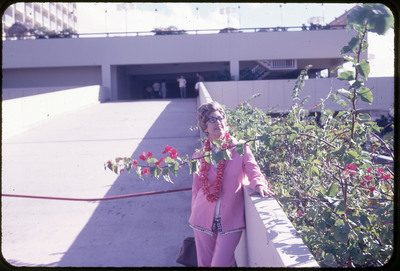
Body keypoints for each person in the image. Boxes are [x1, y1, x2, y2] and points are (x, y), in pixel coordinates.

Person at [189, 101, 273, 267]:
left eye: (220, 118)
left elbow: (253, 169)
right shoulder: (198, 156)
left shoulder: (239, 148)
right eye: (212, 119)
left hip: (230, 219)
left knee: (220, 264)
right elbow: (196, 189)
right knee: (204, 264)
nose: (218, 122)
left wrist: (259, 184)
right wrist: (194, 215)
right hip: (202, 218)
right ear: (204, 127)